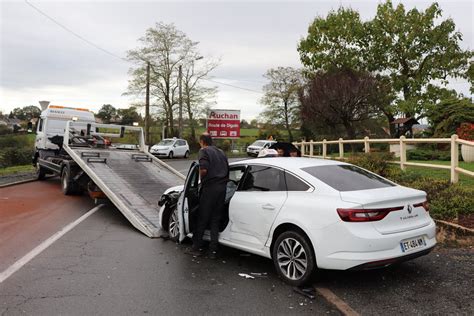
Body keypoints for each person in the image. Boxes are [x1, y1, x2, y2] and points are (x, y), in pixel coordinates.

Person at [189, 134, 229, 259]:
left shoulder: (203, 151)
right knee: (215, 219)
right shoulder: (221, 152)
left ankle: (196, 248)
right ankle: (213, 250)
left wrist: (202, 181)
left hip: (210, 188)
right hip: (222, 189)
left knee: (202, 217)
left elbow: (204, 169)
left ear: (202, 142)